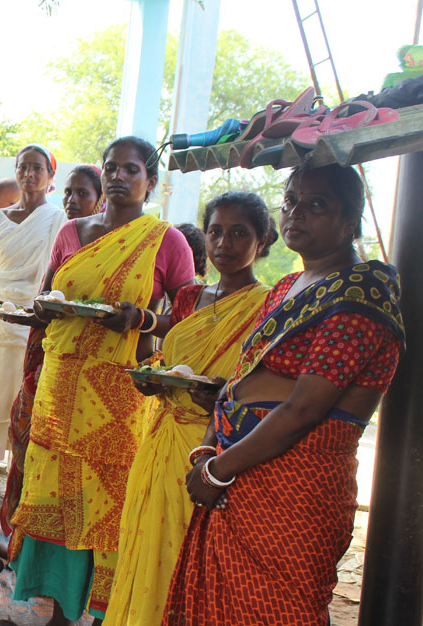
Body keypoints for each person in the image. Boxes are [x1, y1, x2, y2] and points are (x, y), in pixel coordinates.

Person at [165, 163, 405, 626]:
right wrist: (211, 447)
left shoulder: (361, 297)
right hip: (238, 471)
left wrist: (216, 470)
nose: (296, 213)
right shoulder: (287, 288)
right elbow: (243, 376)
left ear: (350, 219)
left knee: (278, 613)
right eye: (291, 200)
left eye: (317, 205)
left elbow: (304, 408)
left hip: (294, 491)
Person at [12, 136, 195, 625]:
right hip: (61, 382)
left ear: (150, 182)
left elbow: (189, 315)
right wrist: (43, 309)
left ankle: (100, 612)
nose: (118, 176)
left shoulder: (165, 241)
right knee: (53, 491)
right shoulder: (72, 231)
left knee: (107, 499)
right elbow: (49, 294)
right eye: (111, 168)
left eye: (131, 170)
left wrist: (144, 321)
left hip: (118, 395)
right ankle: (57, 609)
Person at [106, 192, 275, 626]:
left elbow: (267, 381)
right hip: (162, 436)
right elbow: (167, 356)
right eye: (216, 232)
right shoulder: (188, 298)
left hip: (216, 448)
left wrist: (226, 393)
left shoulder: (270, 307)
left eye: (240, 234)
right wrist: (152, 379)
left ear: (263, 241)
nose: (225, 243)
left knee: (193, 552)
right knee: (149, 540)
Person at [0, 165, 102, 538]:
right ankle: (23, 534)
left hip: (99, 373)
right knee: (29, 439)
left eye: (84, 194)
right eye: (69, 193)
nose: (73, 201)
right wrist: (32, 313)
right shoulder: (67, 234)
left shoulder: (132, 244)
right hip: (52, 357)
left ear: (100, 198)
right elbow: (46, 295)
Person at [0, 145, 66, 498]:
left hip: (34, 319)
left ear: (50, 176)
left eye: (37, 168)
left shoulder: (59, 219)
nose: (29, 173)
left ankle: (19, 477)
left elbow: (58, 271)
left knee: (26, 398)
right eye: (23, 167)